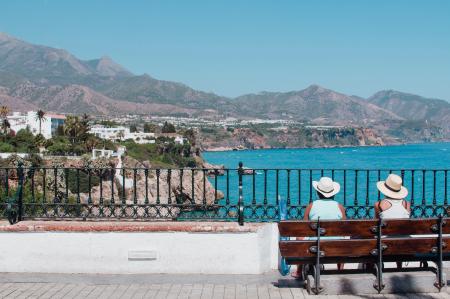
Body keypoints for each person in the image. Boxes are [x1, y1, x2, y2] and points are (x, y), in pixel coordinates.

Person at [294, 177, 345, 278]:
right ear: (333, 193)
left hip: (315, 246)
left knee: (299, 237)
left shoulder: (311, 206)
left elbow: (304, 227)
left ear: (318, 192)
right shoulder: (339, 207)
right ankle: (340, 270)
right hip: (335, 247)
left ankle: (299, 271)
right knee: (342, 239)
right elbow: (344, 228)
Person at [374, 173, 410, 269]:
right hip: (404, 246)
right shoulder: (407, 204)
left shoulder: (379, 205)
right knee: (399, 234)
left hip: (385, 246)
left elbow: (375, 223)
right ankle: (399, 267)